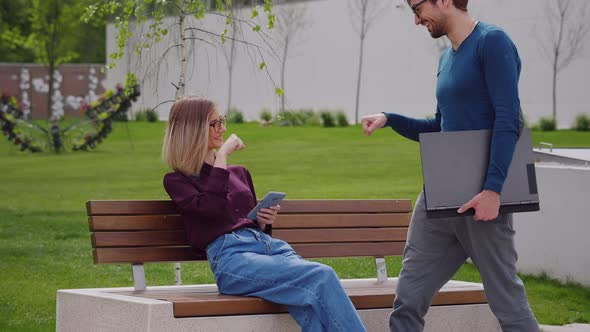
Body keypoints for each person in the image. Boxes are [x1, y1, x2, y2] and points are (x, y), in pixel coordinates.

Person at [361, 0, 540, 331]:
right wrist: (390, 119)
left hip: (482, 200)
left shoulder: (492, 42)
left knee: (507, 303)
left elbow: (508, 120)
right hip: (439, 197)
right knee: (409, 298)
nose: (416, 20)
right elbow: (440, 127)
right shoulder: (446, 59)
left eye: (417, 9)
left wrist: (492, 190)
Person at [162, 96, 366, 332]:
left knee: (308, 302)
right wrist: (222, 157)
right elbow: (211, 209)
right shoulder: (178, 181)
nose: (223, 128)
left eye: (222, 121)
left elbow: (244, 221)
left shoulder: (240, 173)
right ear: (193, 129)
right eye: (215, 123)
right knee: (322, 276)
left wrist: (263, 220)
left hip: (270, 249)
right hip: (233, 261)